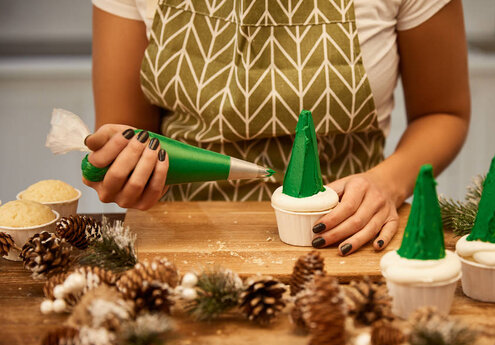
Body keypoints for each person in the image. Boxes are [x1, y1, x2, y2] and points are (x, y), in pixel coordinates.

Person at [85, 0, 470, 256]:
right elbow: (129, 135)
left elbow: (443, 112)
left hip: (348, 238)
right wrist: (128, 170)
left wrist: (388, 182)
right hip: (183, 243)